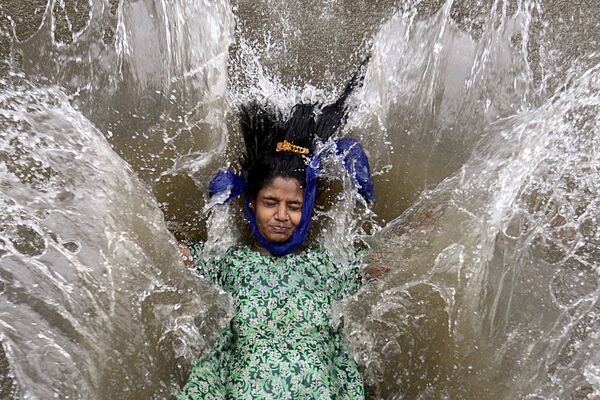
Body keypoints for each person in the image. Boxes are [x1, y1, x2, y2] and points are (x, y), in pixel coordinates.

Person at [177, 61, 384, 399]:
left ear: (308, 209)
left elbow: (401, 264)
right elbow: (159, 253)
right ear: (251, 203)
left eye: (294, 206)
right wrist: (215, 207)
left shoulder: (333, 262)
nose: (282, 216)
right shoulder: (227, 260)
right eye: (270, 202)